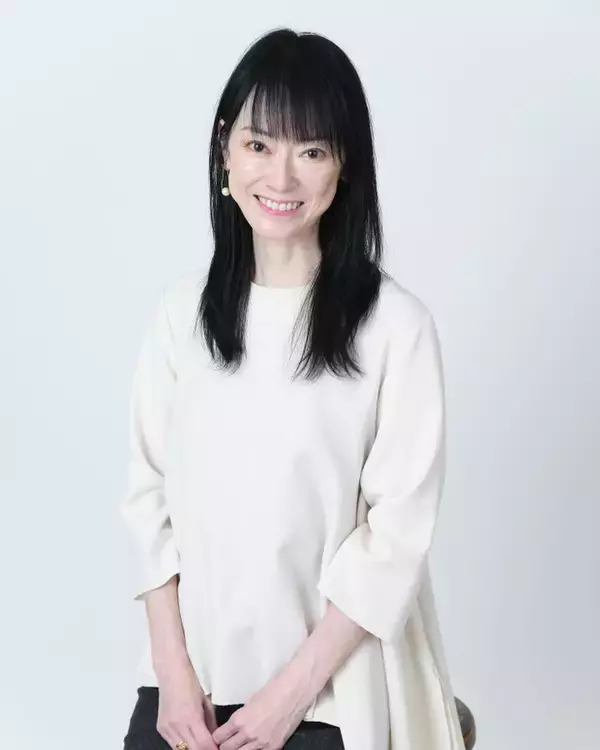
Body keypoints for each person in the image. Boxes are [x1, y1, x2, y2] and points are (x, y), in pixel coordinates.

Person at [121, 27, 464, 750]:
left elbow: (393, 540)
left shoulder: (395, 328)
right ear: (225, 148)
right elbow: (147, 501)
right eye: (259, 144)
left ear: (345, 167)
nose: (281, 179)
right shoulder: (181, 318)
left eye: (311, 151)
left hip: (332, 701)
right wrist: (173, 675)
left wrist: (286, 701)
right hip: (186, 694)